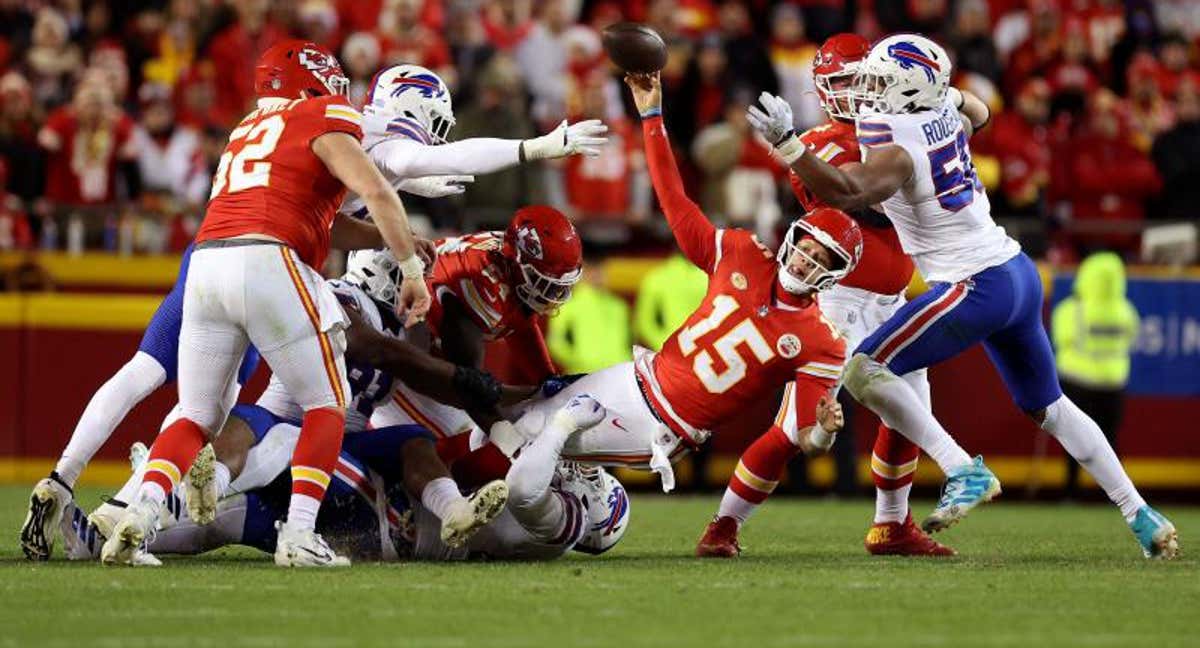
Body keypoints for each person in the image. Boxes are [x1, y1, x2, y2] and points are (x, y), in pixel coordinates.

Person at [748, 34, 1177, 559]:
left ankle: (961, 468)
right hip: (1016, 272)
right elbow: (979, 111)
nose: (870, 89)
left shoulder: (899, 144)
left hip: (975, 284)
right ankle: (1142, 515)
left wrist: (790, 146)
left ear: (909, 89)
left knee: (862, 369)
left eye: (882, 81)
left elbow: (849, 190)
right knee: (1051, 408)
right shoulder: (946, 112)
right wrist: (947, 94)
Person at [101, 40, 431, 568]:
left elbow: (318, 218)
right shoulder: (322, 111)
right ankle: (299, 535)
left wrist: (383, 238)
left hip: (207, 260)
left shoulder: (245, 130)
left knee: (197, 414)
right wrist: (411, 268)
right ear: (314, 81)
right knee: (327, 403)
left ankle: (138, 516)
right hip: (269, 259)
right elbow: (376, 191)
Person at [492, 71, 853, 496]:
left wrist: (826, 434)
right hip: (636, 377)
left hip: (662, 422)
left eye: (821, 260)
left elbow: (808, 437)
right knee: (513, 422)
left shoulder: (823, 340)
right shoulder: (743, 254)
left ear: (834, 273)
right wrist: (652, 117)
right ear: (793, 238)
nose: (807, 261)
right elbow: (675, 202)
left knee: (528, 437)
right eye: (808, 249)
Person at [696, 34, 950, 559]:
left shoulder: (901, 129)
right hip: (839, 297)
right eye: (841, 84)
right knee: (796, 426)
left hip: (896, 296)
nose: (854, 92)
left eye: (861, 79)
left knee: (908, 415)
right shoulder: (820, 145)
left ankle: (891, 525)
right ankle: (723, 525)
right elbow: (859, 197)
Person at [60, 395, 628, 563]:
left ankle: (152, 494)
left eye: (594, 479)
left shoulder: (558, 525)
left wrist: (560, 426)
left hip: (389, 519)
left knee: (274, 433)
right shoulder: (546, 529)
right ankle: (129, 528)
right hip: (389, 524)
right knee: (232, 523)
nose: (583, 472)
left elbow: (527, 487)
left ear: (595, 510)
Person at [1051, 253, 1139, 499]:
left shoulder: (1071, 309)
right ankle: (1117, 496)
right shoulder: (1126, 310)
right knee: (1110, 442)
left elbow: (1061, 339)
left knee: (1074, 440)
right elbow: (1132, 337)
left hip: (1077, 381)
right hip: (1114, 383)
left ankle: (1071, 492)